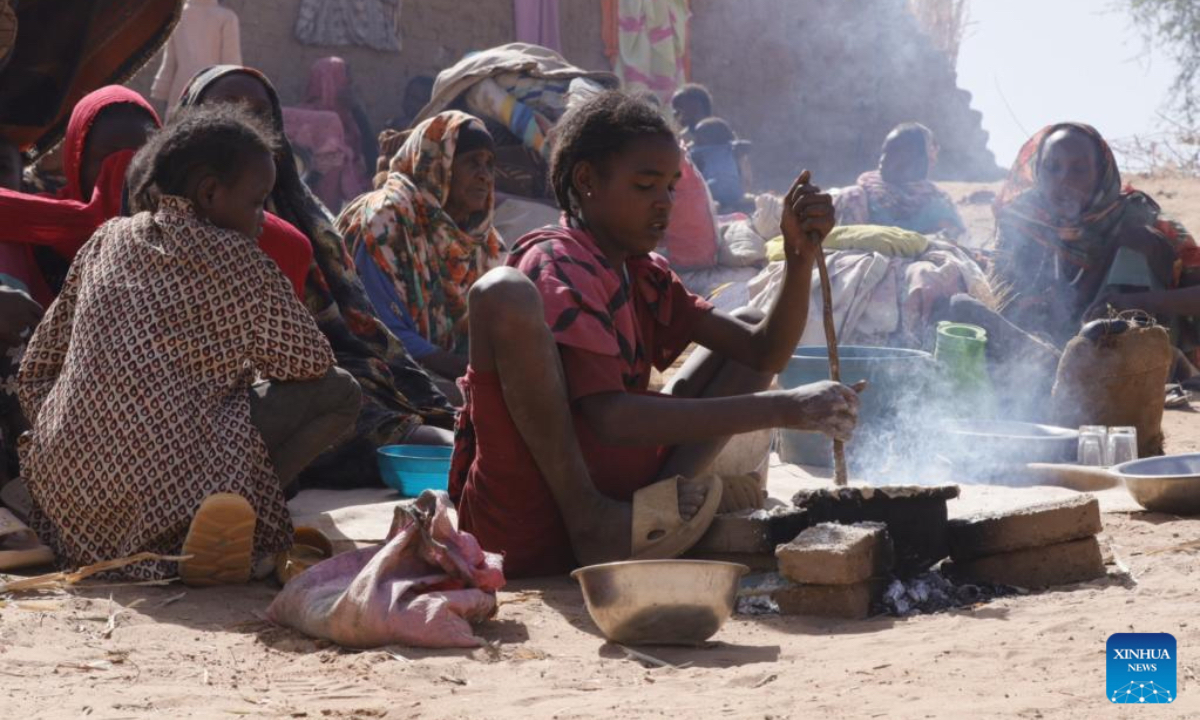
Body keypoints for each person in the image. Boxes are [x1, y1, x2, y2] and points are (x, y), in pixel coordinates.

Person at [449, 91, 859, 577]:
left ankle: (654, 508)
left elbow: (763, 350)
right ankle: (593, 522)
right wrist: (786, 408)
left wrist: (797, 256)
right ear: (586, 181)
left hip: (627, 507)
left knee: (748, 323)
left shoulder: (642, 273)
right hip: (534, 525)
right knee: (502, 291)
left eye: (670, 187)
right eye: (646, 186)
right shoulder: (557, 262)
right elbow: (610, 420)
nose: (664, 204)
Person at [18, 104, 360, 584]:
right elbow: (311, 364)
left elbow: (37, 368)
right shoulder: (244, 263)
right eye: (257, 202)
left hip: (67, 507)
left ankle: (194, 518)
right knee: (341, 391)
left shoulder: (108, 239)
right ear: (210, 193)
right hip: (168, 495)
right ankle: (231, 522)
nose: (263, 218)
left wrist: (75, 439)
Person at [175, 65, 456, 489]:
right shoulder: (151, 222)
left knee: (410, 409)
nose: (242, 124)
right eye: (224, 108)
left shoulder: (298, 220)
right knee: (361, 415)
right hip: (213, 400)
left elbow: (344, 331)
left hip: (312, 373)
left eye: (257, 113)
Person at [993, 123, 1200, 348]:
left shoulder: (1143, 220)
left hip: (1137, 363)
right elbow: (1000, 297)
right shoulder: (1023, 222)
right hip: (1040, 361)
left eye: (1079, 170)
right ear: (1038, 173)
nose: (1064, 180)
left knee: (1138, 245)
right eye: (1052, 167)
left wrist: (1137, 302)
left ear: (1101, 173)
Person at [340, 112, 502, 391]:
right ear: (439, 166)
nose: (485, 176)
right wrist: (480, 375)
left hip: (451, 373)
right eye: (472, 162)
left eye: (489, 164)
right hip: (377, 375)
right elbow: (383, 334)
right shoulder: (386, 223)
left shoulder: (482, 241)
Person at [833, 123, 966, 240]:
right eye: (884, 152)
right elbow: (848, 246)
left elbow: (953, 245)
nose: (883, 160)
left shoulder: (938, 203)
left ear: (919, 161)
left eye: (895, 153)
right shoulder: (856, 197)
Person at [300, 57, 374, 211]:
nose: (350, 91)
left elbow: (371, 159)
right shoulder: (307, 123)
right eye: (346, 83)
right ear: (330, 83)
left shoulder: (349, 121)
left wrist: (358, 110)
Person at [150, 0, 242, 115]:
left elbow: (170, 61)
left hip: (180, 90)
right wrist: (236, 94)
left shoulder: (178, 15)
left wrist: (161, 90)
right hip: (212, 90)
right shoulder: (227, 18)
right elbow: (231, 63)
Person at [690, 117, 749, 213]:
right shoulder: (732, 148)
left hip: (710, 193)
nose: (694, 141)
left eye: (697, 137)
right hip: (735, 193)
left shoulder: (698, 153)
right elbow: (747, 146)